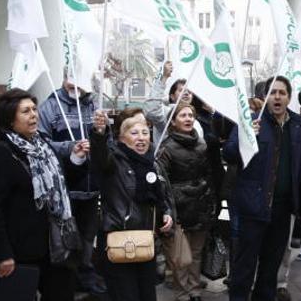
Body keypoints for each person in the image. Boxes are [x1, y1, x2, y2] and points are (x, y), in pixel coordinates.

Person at [0, 88, 90, 301]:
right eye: (25, 111)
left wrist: (75, 159)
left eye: (34, 109)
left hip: (57, 246)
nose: (34, 115)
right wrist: (1, 254)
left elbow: (60, 184)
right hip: (21, 251)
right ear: (10, 120)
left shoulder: (43, 146)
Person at [224, 76, 301, 301]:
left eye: (282, 93)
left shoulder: (298, 125)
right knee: (244, 267)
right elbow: (229, 153)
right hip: (254, 207)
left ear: (289, 97)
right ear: (265, 97)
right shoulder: (251, 121)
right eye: (273, 93)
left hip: (282, 210)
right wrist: (246, 136)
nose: (277, 97)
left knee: (270, 268)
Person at [90, 107, 173, 301]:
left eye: (145, 132)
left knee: (147, 295)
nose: (141, 138)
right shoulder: (114, 161)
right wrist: (99, 134)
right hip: (121, 240)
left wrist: (166, 213)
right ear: (121, 138)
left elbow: (160, 195)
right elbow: (99, 157)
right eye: (134, 133)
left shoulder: (152, 162)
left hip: (145, 241)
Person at [37, 73, 104, 294]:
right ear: (64, 78)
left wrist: (101, 136)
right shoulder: (50, 106)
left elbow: (107, 141)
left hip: (91, 186)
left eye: (81, 77)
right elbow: (41, 143)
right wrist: (70, 148)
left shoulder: (95, 104)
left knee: (87, 235)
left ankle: (85, 273)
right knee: (65, 235)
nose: (76, 84)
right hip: (64, 186)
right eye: (72, 77)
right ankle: (67, 276)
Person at [156, 103, 217, 301]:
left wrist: (209, 197)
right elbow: (162, 181)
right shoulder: (166, 148)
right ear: (173, 121)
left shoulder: (202, 144)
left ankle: (195, 290)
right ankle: (182, 293)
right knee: (180, 256)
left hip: (200, 205)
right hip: (178, 208)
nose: (188, 118)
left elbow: (209, 172)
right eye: (183, 115)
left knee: (197, 252)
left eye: (191, 115)